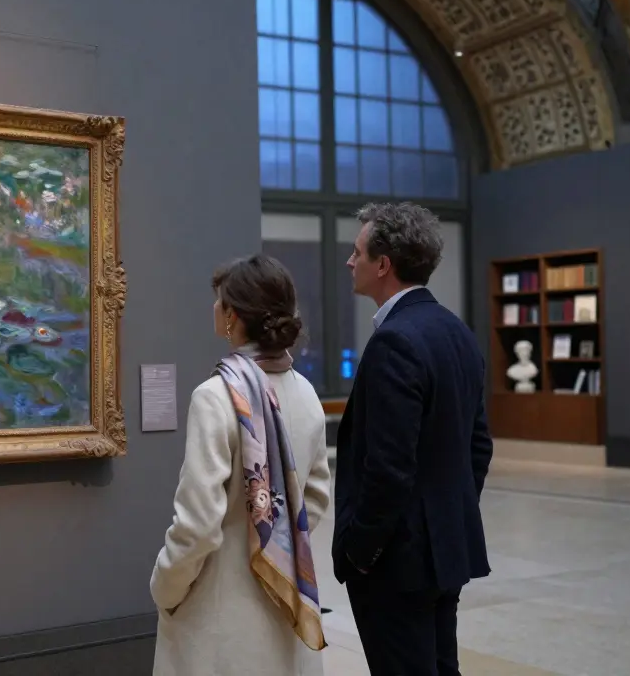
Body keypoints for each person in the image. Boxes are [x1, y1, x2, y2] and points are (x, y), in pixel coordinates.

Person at [150, 254, 332, 676]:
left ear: (232, 316)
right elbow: (315, 498)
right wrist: (277, 546)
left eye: (219, 301)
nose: (214, 308)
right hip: (285, 598)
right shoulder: (305, 392)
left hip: (220, 612)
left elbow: (197, 523)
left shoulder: (215, 397)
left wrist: (166, 586)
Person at [334, 202, 493, 675]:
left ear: (383, 264)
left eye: (357, 252)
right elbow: (478, 446)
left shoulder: (395, 341)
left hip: (398, 563)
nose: (349, 261)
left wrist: (361, 551)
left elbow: (388, 467)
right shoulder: (457, 331)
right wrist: (445, 515)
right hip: (444, 550)